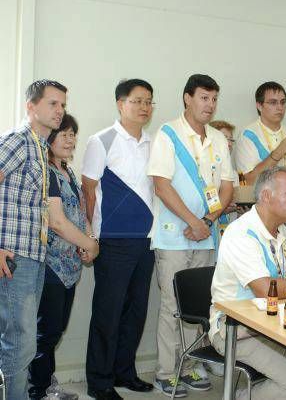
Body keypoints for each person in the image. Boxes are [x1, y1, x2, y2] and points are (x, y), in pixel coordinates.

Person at [147, 74, 235, 396]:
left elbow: (227, 186)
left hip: (207, 233)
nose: (209, 105)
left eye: (213, 99)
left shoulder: (218, 139)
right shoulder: (168, 134)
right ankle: (166, 371)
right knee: (172, 303)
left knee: (200, 303)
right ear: (187, 98)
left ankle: (191, 364)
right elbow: (161, 184)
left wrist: (208, 219)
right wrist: (192, 221)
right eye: (203, 98)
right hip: (174, 235)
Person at [209, 167, 286, 400]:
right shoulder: (241, 233)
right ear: (266, 196)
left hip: (272, 324)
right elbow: (265, 290)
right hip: (237, 329)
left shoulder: (281, 230)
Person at [82, 79, 155, 400]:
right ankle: (99, 381)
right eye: (137, 101)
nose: (144, 107)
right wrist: (91, 235)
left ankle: (125, 372)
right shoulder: (102, 140)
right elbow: (88, 190)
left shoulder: (154, 142)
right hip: (112, 240)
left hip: (146, 240)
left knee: (136, 312)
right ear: (120, 103)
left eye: (148, 101)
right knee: (108, 313)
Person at [0, 79, 67, 400]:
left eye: (63, 105)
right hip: (15, 256)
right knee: (21, 338)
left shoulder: (41, 148)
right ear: (31, 106)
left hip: (32, 255)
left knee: (23, 337)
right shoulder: (18, 142)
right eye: (53, 103)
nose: (60, 111)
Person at [28, 114, 100, 400]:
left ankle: (47, 384)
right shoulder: (46, 172)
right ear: (49, 138)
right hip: (49, 265)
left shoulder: (68, 172)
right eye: (64, 133)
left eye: (73, 134)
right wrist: (90, 246)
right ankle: (37, 391)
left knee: (53, 332)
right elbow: (57, 222)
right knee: (45, 332)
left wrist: (88, 240)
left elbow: (80, 215)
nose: (70, 139)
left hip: (69, 266)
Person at [234, 81, 286, 185]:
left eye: (283, 102)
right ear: (259, 105)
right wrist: (278, 153)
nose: (280, 107)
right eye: (273, 102)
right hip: (257, 199)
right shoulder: (247, 135)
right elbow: (247, 181)